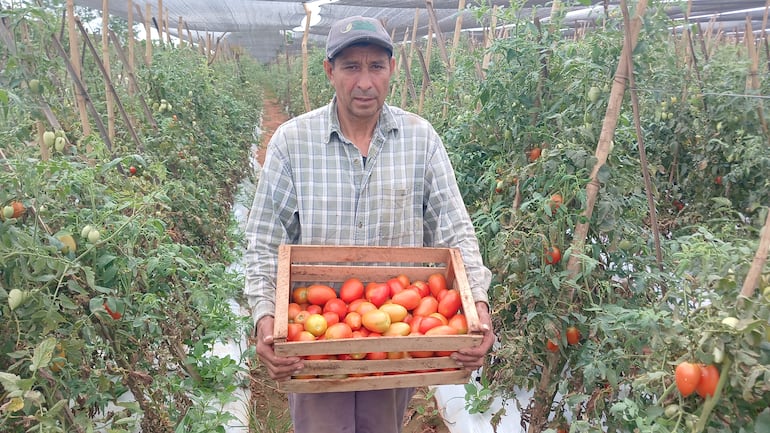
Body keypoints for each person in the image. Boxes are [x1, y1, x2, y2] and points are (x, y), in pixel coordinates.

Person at [244, 15, 495, 433]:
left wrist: (478, 307)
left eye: (376, 67)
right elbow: (265, 240)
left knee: (382, 425)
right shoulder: (292, 142)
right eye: (351, 67)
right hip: (314, 342)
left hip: (394, 338)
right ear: (329, 70)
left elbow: (454, 229)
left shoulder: (421, 138)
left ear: (392, 69)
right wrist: (265, 315)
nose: (365, 82)